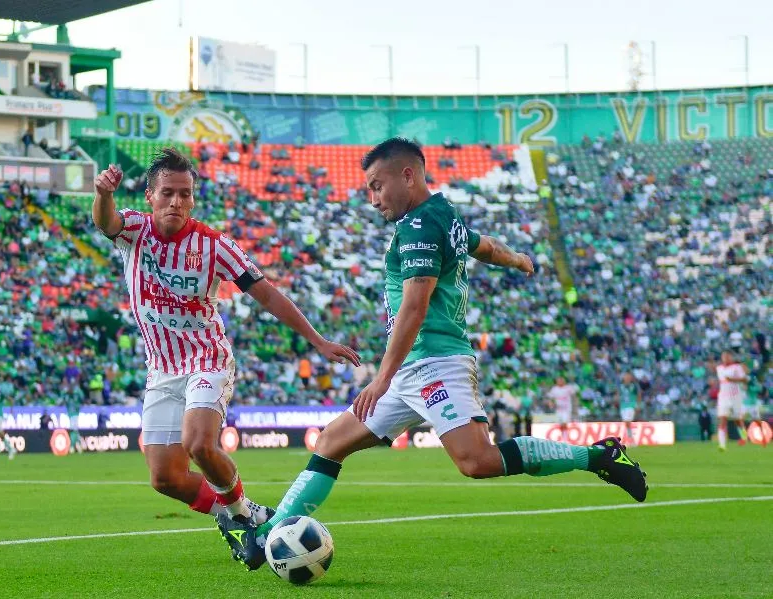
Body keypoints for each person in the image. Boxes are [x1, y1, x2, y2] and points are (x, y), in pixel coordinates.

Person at [216, 137, 648, 570]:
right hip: (410, 369)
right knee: (330, 442)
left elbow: (415, 306)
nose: (372, 200)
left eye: (376, 186)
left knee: (477, 461)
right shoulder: (446, 216)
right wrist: (515, 258)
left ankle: (599, 455)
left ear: (408, 175)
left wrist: (381, 378)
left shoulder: (418, 227)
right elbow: (486, 248)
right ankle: (267, 536)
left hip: (434, 363)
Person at [91, 149, 359, 527]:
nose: (176, 201)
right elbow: (106, 222)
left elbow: (266, 293)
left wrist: (316, 340)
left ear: (193, 199)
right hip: (162, 370)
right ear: (150, 196)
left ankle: (246, 522)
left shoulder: (215, 245)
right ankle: (246, 514)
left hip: (207, 360)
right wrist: (103, 195)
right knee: (165, 478)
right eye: (167, 192)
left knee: (199, 444)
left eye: (185, 194)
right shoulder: (134, 230)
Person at [715, 351, 748, 451]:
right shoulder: (719, 368)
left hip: (735, 397)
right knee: (722, 419)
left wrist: (733, 380)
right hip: (723, 397)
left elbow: (744, 380)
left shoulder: (736, 367)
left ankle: (744, 436)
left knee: (737, 420)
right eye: (723, 356)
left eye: (727, 356)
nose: (725, 358)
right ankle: (722, 445)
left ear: (731, 357)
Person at [547, 376, 579, 442]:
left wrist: (575, 407)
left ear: (564, 381)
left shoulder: (568, 388)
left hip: (567, 409)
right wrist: (551, 403)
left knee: (565, 423)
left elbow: (575, 396)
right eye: (558, 380)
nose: (560, 382)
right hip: (558, 409)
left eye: (561, 380)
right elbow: (550, 398)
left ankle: (565, 440)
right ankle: (563, 437)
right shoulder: (554, 389)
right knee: (561, 424)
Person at [618, 372, 640, 444]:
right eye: (626, 377)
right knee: (626, 423)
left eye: (628, 377)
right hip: (623, 407)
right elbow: (618, 395)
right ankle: (631, 439)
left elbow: (638, 395)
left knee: (627, 422)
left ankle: (631, 439)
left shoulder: (633, 386)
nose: (627, 379)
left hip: (631, 406)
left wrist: (637, 405)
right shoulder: (621, 386)